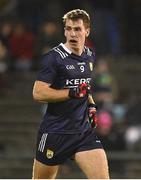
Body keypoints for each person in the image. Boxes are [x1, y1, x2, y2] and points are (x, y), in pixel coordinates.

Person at [32, 9, 109, 179]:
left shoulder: (90, 55)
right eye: (68, 29)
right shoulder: (53, 58)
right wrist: (71, 93)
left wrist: (91, 104)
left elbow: (84, 87)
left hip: (83, 133)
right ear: (64, 30)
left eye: (77, 29)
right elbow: (38, 93)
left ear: (87, 31)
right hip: (55, 133)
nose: (72, 33)